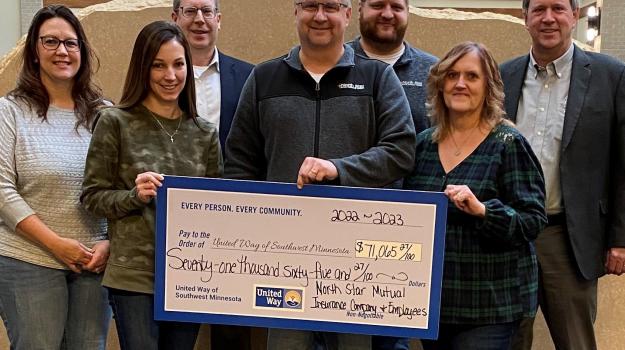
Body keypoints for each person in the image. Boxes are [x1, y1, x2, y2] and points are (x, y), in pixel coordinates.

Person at [224, 1, 416, 348]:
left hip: (357, 263)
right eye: (310, 5)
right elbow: (239, 164)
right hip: (282, 260)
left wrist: (339, 169)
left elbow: (400, 151)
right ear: (295, 12)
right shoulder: (265, 78)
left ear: (347, 14)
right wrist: (251, 233)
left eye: (331, 6)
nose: (320, 15)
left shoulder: (377, 77)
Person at [80, 21, 222, 350]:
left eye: (178, 64)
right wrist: (134, 195)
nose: (170, 75)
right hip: (133, 275)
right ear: (143, 67)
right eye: (158, 65)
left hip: (189, 276)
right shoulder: (115, 121)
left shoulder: (204, 134)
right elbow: (92, 196)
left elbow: (217, 209)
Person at [404, 42, 547, 350]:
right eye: (452, 75)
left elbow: (533, 220)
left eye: (471, 76)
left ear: (489, 87)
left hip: (490, 308)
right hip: (435, 304)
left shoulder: (508, 144)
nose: (460, 84)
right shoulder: (423, 146)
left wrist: (484, 211)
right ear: (440, 84)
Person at [501, 1, 625, 349]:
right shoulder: (503, 75)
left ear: (575, 16)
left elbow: (622, 162)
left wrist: (620, 237)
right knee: (507, 339)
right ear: (525, 18)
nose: (549, 18)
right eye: (539, 9)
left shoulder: (611, 75)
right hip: (508, 238)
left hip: (569, 238)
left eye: (558, 8)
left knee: (576, 343)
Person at [0, 4, 111, 349]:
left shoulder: (105, 114)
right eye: (50, 42)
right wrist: (55, 244)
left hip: (95, 260)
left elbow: (122, 188)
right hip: (28, 258)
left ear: (82, 51)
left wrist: (111, 242)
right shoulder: (11, 111)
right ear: (34, 52)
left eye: (71, 43)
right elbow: (2, 190)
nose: (62, 51)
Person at [172, 0, 253, 154]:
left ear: (218, 20)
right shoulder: (160, 79)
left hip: (232, 177)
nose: (199, 19)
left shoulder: (249, 77)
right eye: (190, 11)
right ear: (175, 19)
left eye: (207, 11)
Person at [347, 0, 437, 134]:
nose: (387, 14)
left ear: (407, 12)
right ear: (360, 9)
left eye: (396, 7)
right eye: (378, 5)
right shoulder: (336, 63)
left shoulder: (433, 71)